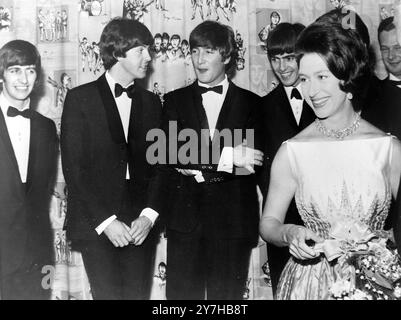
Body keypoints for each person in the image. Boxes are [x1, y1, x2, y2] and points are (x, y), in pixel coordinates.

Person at [259, 21, 401, 300]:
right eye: (304, 79)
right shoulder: (292, 151)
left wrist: (383, 250)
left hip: (377, 281)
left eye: (321, 77)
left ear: (347, 77)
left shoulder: (388, 148)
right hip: (309, 285)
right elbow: (269, 223)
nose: (311, 91)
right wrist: (290, 233)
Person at [147, 20, 264, 300]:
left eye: (208, 51)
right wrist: (230, 155)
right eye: (195, 51)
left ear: (226, 56)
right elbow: (167, 153)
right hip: (184, 221)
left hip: (233, 222)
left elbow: (251, 164)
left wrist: (195, 161)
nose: (199, 60)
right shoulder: (174, 101)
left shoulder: (252, 103)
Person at [60, 18, 163, 300]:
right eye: (141, 50)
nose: (149, 58)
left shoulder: (152, 103)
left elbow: (161, 166)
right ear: (118, 53)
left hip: (140, 223)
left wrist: (149, 216)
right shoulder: (80, 99)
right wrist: (106, 222)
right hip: (98, 222)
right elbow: (74, 169)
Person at [259, 22, 315, 297]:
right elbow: (260, 170)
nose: (282, 67)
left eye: (289, 58)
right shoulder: (261, 107)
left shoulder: (326, 101)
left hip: (324, 221)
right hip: (281, 225)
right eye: (275, 59)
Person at [0, 40, 58, 299]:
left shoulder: (47, 128)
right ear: (1, 75)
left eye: (30, 70)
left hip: (38, 253)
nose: (24, 79)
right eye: (15, 70)